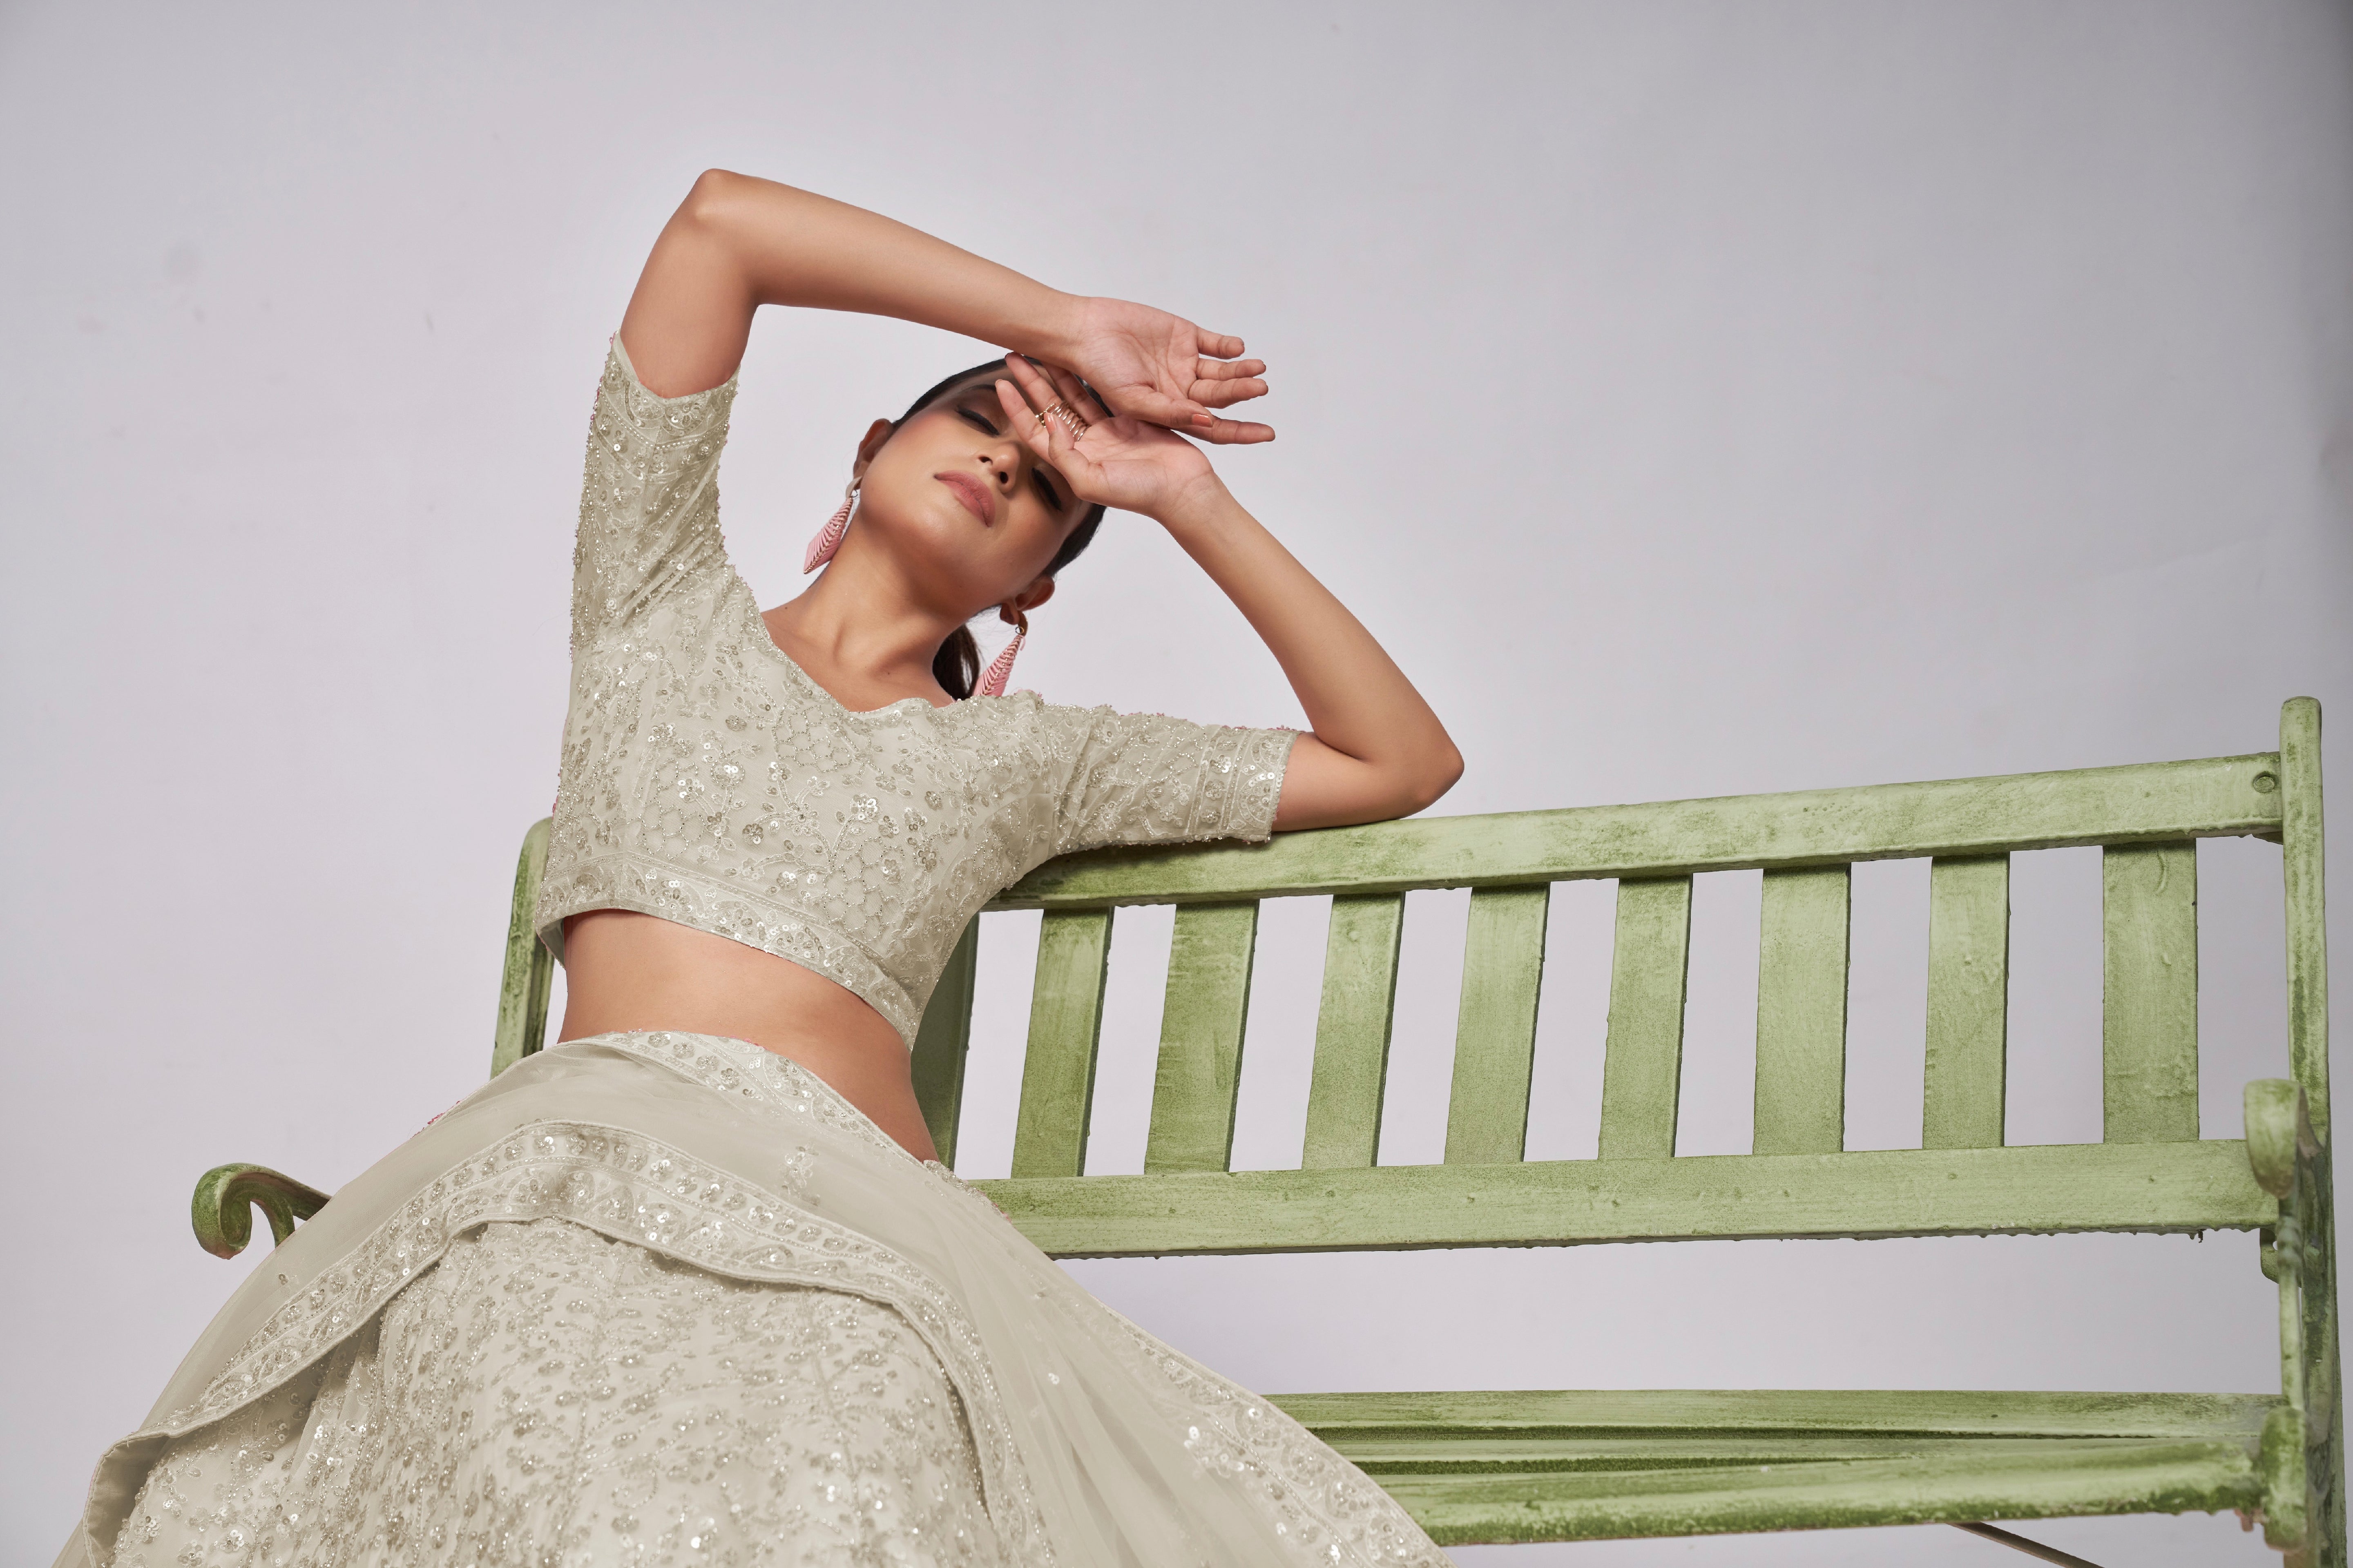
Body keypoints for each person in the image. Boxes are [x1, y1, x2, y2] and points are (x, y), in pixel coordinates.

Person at [62, 171, 1463, 1568]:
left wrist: (1181, 491)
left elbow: (1399, 759)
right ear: (870, 445)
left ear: (1036, 584)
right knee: (511, 1408)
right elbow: (719, 228)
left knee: (852, 1465)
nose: (1000, 463)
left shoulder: (1035, 761)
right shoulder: (652, 602)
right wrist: (1065, 329)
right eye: (982, 421)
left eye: (1050, 487)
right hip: (561, 1187)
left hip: (850, 1239)